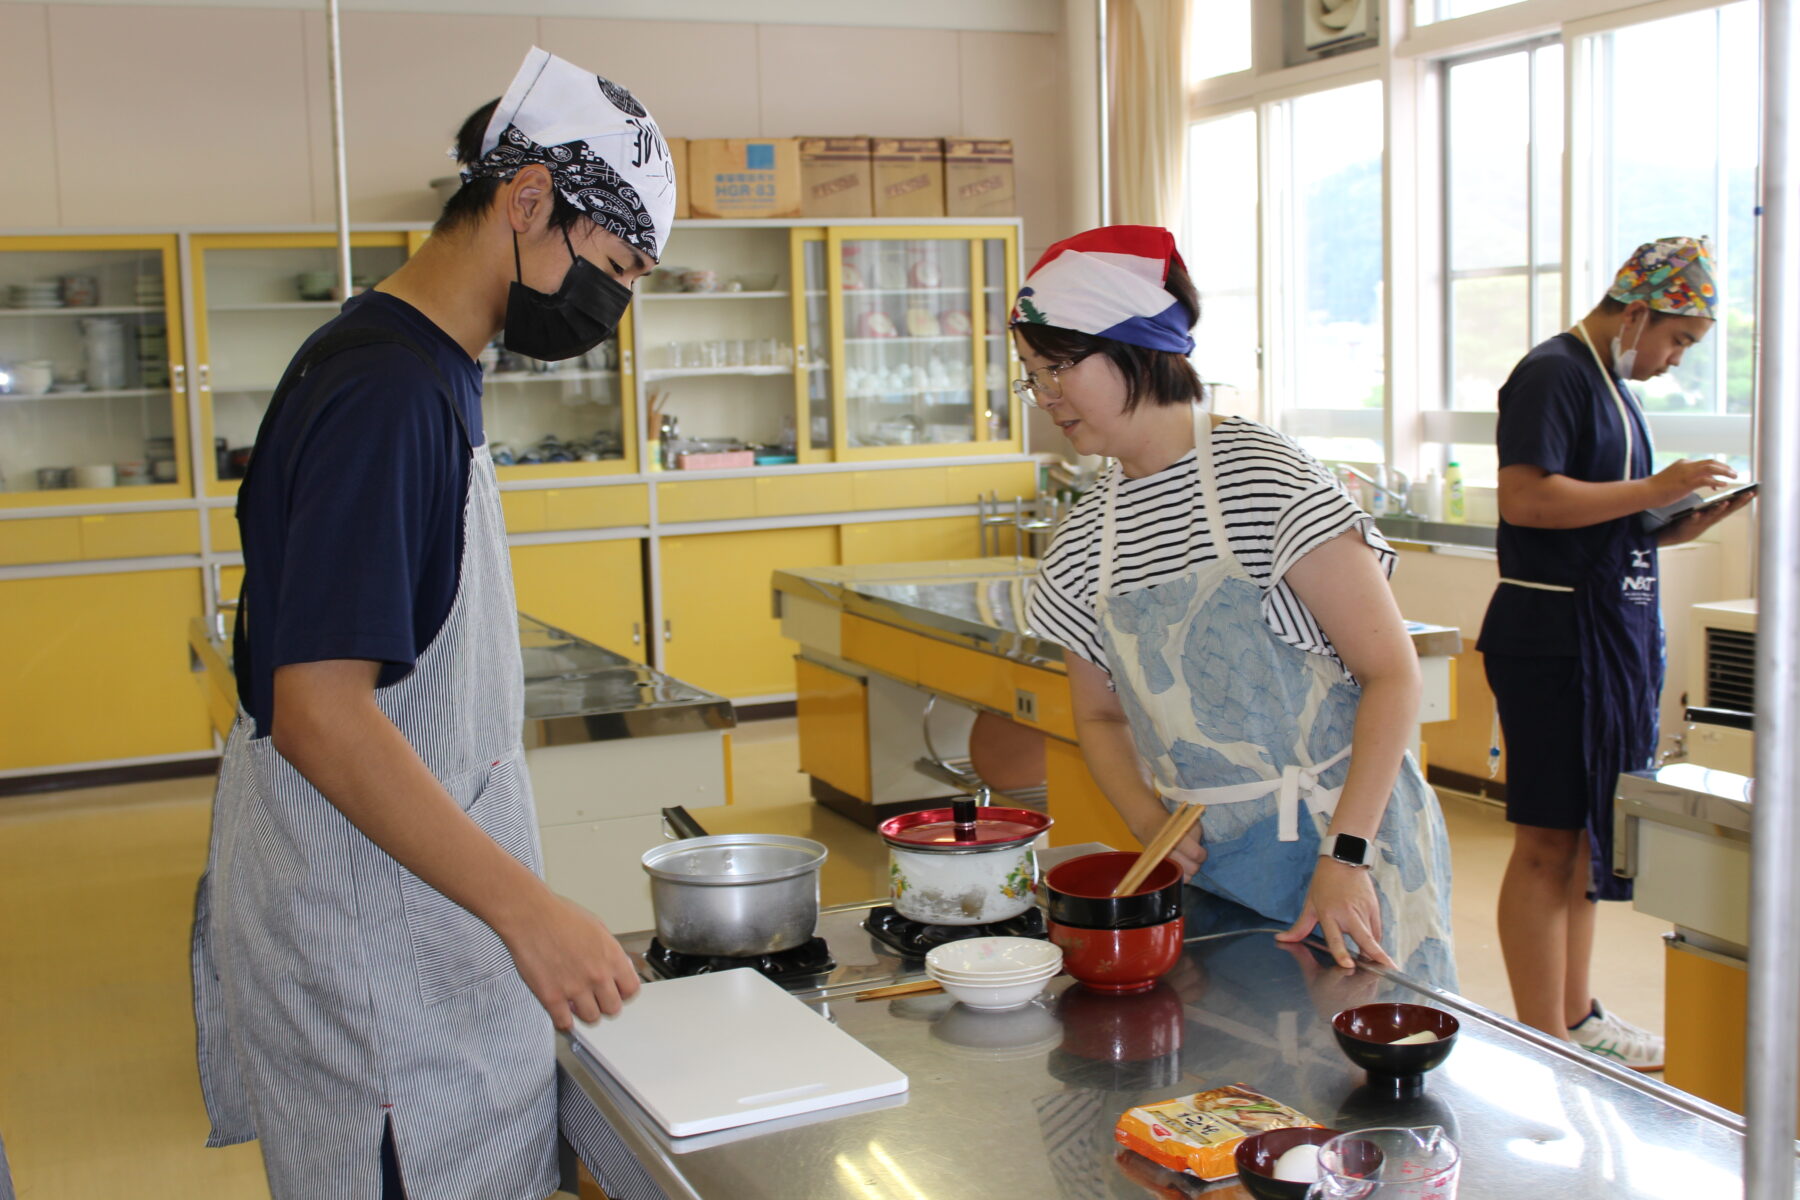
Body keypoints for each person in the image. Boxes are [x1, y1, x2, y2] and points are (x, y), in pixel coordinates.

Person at [189, 47, 676, 1199]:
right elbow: (318, 709)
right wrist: (531, 912)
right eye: (614, 268)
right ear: (526, 201)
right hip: (377, 957)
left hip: (404, 910)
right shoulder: (388, 391)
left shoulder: (427, 363)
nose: (612, 306)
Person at [1021, 225, 1456, 989]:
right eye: (1031, 375)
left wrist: (1344, 857)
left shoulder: (1267, 480)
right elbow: (1099, 716)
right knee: (1248, 1072)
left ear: (1139, 346)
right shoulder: (1086, 536)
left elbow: (1391, 676)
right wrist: (1150, 825)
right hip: (1216, 864)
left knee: (1371, 1064)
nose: (1046, 395)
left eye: (1059, 366)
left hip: (1347, 841)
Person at [1479, 236, 1751, 1071]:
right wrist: (1657, 489)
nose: (1673, 360)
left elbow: (1597, 515)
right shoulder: (1555, 373)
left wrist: (1675, 521)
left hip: (1601, 635)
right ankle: (1543, 1034)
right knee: (1547, 841)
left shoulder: (1614, 387)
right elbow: (1528, 501)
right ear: (1637, 311)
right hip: (1553, 644)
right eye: (1677, 340)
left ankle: (1579, 1011)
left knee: (1592, 838)